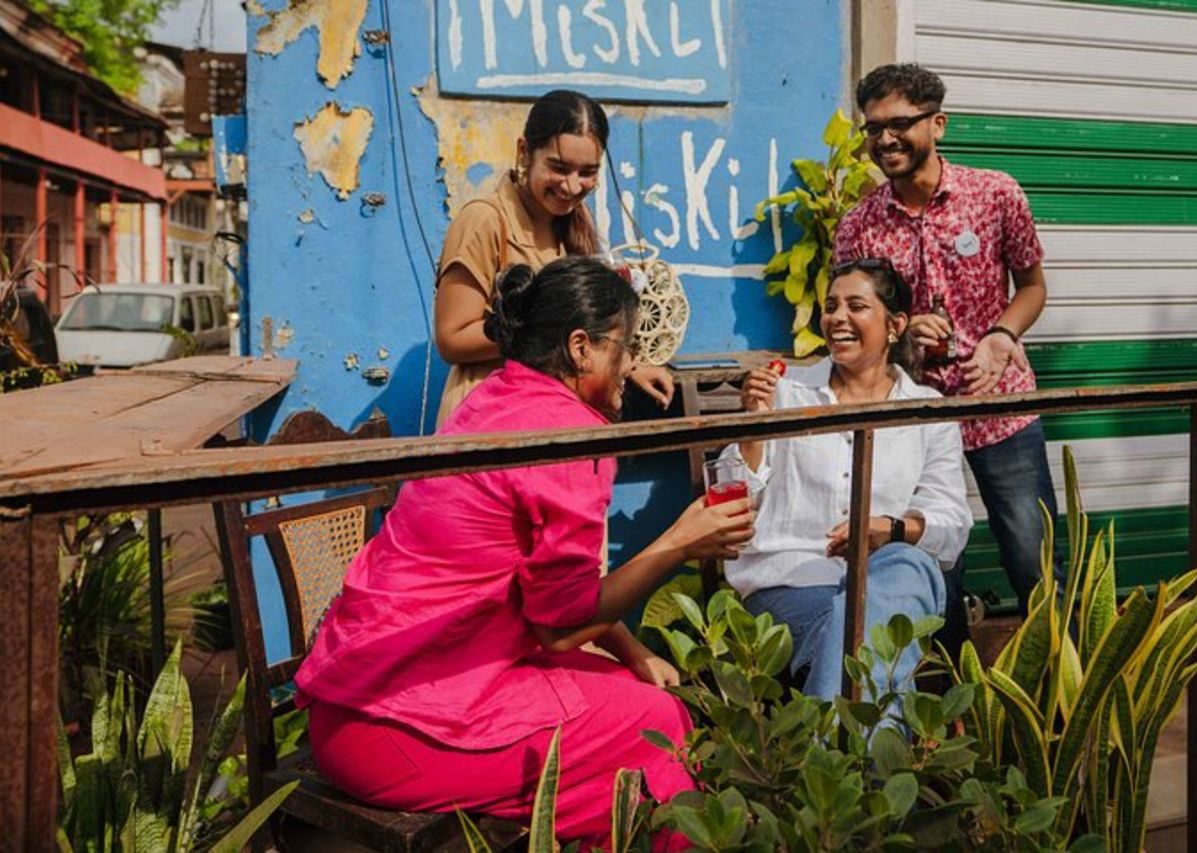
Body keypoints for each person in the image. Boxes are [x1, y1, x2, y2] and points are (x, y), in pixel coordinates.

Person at [296, 257, 754, 845]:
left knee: (650, 703)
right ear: (582, 347)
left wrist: (633, 651)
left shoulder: (498, 399)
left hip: (356, 704)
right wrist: (678, 543)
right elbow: (561, 630)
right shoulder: (567, 435)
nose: (633, 365)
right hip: (397, 728)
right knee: (661, 728)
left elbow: (550, 589)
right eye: (627, 346)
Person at [833, 63, 1058, 649]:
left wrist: (1002, 337)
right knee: (931, 570)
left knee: (1037, 567)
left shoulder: (995, 194)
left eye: (900, 124)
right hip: (913, 421)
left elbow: (1032, 286)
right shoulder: (858, 225)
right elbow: (854, 322)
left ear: (938, 123)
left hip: (1002, 410)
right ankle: (951, 720)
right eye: (873, 127)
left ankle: (1068, 715)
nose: (884, 139)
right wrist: (902, 339)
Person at [719, 258, 970, 699]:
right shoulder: (786, 393)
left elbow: (951, 525)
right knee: (877, 645)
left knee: (905, 568)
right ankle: (871, 767)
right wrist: (753, 432)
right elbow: (729, 504)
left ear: (895, 325)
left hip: (886, 580)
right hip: (792, 583)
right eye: (831, 306)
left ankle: (836, 763)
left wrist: (887, 531)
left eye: (856, 305)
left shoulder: (928, 410)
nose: (837, 318)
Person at [434, 89, 673, 426]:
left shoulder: (576, 224)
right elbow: (452, 339)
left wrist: (627, 367)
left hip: (553, 416)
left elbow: (585, 332)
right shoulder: (484, 220)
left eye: (587, 172)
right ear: (524, 152)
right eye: (559, 168)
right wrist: (543, 330)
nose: (573, 186)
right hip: (489, 419)